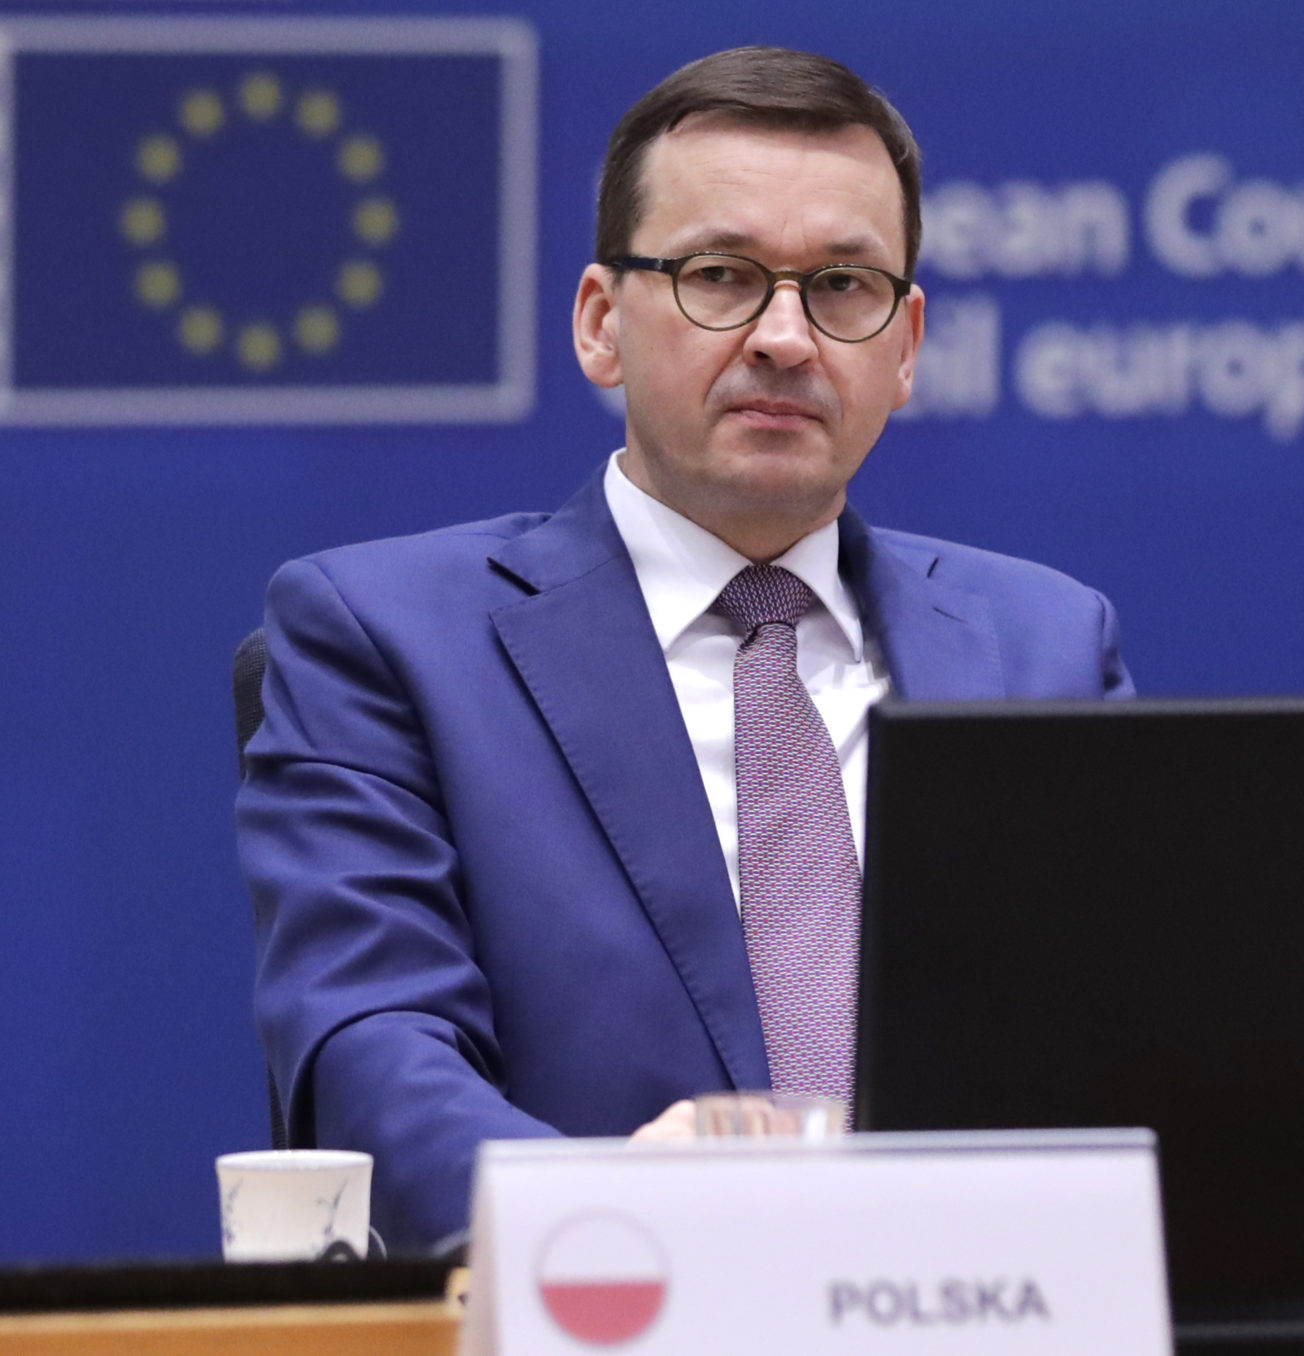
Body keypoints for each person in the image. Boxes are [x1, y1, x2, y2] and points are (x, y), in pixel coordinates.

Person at [236, 46, 1133, 1251]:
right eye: (720, 276)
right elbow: (369, 1049)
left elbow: (1124, 1055)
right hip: (601, 1306)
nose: (784, 338)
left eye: (843, 286)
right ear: (600, 323)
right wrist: (610, 1218)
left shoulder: (1044, 646)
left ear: (906, 345)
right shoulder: (386, 636)